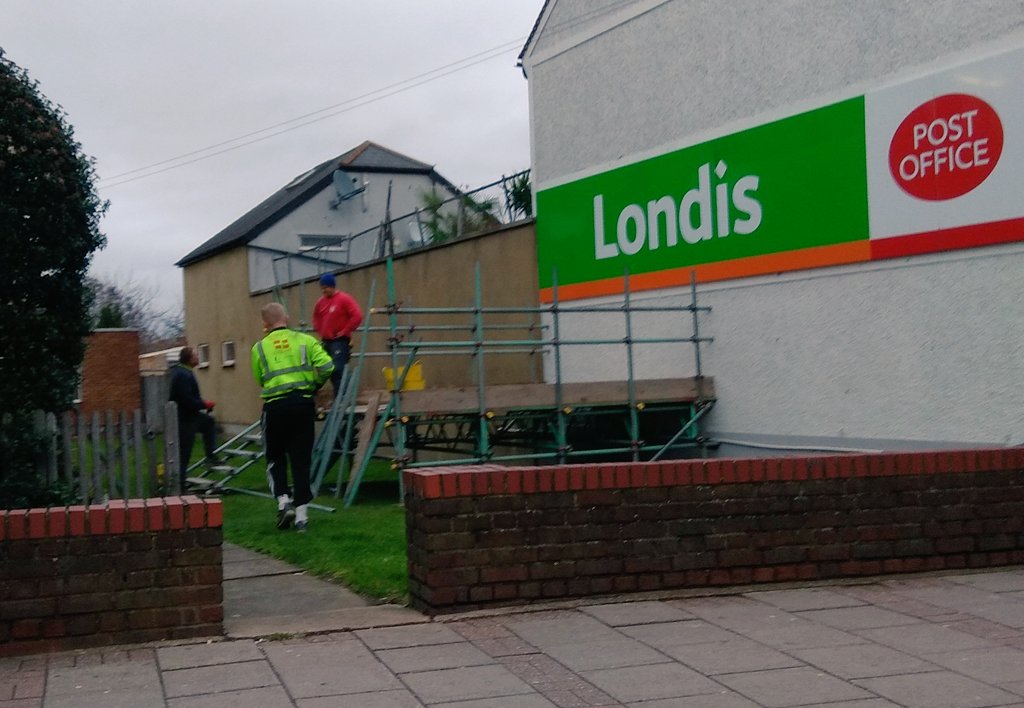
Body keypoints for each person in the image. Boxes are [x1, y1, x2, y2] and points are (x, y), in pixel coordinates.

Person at [251, 302, 335, 532]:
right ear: (286, 317)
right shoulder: (306, 341)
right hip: (302, 405)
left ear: (265, 324)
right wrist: (315, 385)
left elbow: (260, 379)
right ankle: (301, 518)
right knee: (301, 460)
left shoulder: (258, 348)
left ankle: (283, 501)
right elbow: (328, 366)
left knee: (275, 457)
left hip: (275, 407)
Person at [168, 347, 220, 486]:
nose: (198, 358)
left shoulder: (183, 372)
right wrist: (204, 404)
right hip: (185, 419)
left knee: (209, 423)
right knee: (184, 452)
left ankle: (211, 455)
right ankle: (179, 483)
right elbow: (187, 400)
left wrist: (202, 404)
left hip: (190, 415)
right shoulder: (183, 375)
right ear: (189, 358)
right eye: (196, 355)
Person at [312, 272, 362, 398]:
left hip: (339, 340)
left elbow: (357, 316)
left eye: (326, 287)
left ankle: (342, 398)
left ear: (332, 286)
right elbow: (316, 318)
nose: (324, 290)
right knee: (330, 370)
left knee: (338, 368)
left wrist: (345, 331)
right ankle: (340, 396)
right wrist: (321, 331)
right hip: (327, 340)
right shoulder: (320, 302)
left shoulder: (344, 299)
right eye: (322, 288)